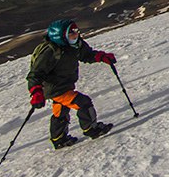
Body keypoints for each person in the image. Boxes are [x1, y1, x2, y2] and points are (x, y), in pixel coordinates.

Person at [26, 19, 117, 149]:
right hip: (55, 88)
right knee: (83, 102)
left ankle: (59, 138)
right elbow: (35, 74)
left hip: (65, 84)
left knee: (60, 111)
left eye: (76, 31)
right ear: (60, 36)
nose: (76, 35)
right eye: (71, 33)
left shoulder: (75, 45)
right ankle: (91, 129)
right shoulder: (50, 52)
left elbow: (86, 55)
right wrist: (36, 92)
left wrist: (101, 56)